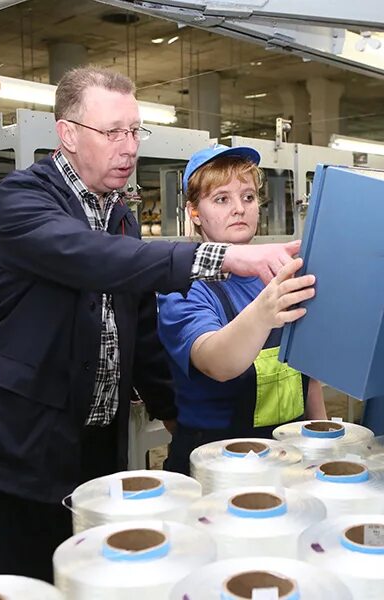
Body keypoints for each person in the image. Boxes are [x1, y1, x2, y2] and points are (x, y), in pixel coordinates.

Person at [0, 67, 303, 583]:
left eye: (135, 131)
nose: (129, 146)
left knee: (96, 579)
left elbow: (138, 325)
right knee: (20, 583)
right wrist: (218, 257)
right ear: (67, 133)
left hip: (93, 445)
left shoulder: (120, 216)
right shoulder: (21, 200)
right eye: (113, 132)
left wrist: (173, 412)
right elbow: (90, 257)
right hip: (17, 443)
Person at [157, 145, 326, 475]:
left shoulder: (281, 273)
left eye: (248, 197)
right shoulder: (182, 286)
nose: (239, 209)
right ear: (194, 212)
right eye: (221, 199)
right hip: (216, 463)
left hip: (287, 455)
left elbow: (309, 378)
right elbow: (217, 362)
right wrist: (265, 308)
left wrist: (322, 443)